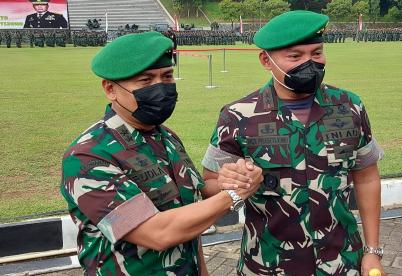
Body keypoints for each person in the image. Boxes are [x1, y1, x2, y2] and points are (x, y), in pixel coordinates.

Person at [60, 32, 263, 275]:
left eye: (166, 77)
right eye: (145, 81)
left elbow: (190, 211)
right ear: (110, 89)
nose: (161, 88)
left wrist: (233, 178)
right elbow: (157, 233)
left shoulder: (166, 138)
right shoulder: (88, 156)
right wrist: (233, 194)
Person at [202, 10, 385, 275]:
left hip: (342, 263)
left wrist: (372, 251)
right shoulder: (237, 116)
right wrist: (228, 181)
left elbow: (367, 178)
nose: (309, 63)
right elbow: (207, 184)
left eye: (317, 53)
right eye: (295, 56)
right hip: (268, 265)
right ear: (266, 60)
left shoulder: (349, 107)